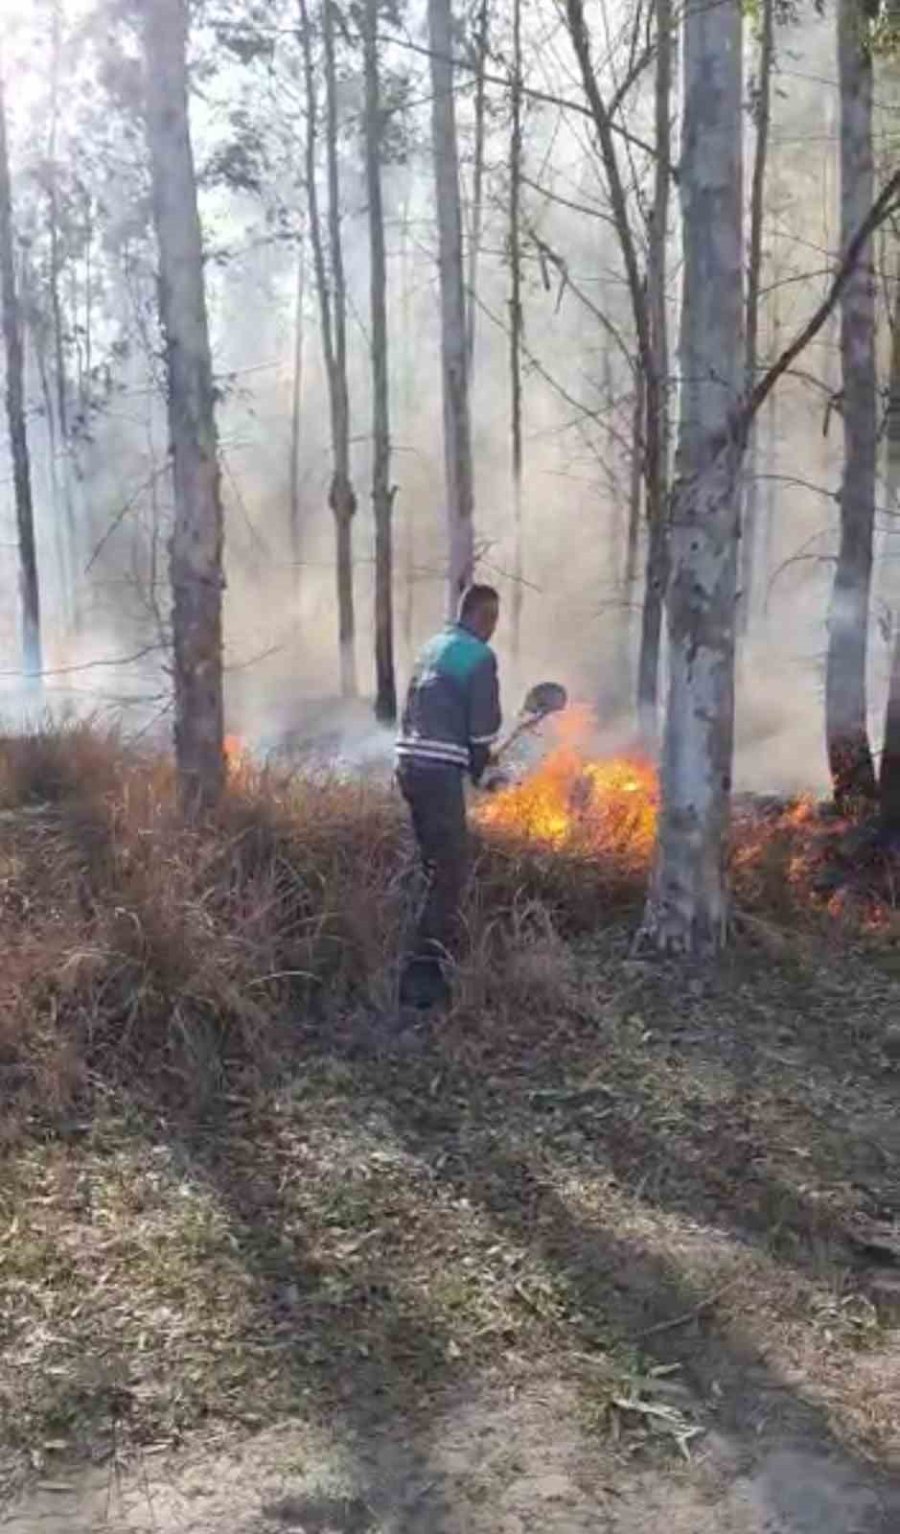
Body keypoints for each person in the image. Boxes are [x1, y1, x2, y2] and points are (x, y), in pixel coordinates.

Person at [396, 584, 502, 1009]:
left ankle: (426, 946)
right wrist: (486, 773)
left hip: (408, 765)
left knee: (432, 864)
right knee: (452, 869)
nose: (494, 628)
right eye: (492, 619)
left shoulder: (432, 646)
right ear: (478, 615)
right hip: (438, 772)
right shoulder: (479, 656)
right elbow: (481, 730)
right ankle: (423, 977)